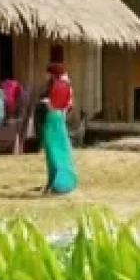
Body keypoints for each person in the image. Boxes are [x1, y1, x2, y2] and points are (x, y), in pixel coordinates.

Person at [40, 46, 77, 194]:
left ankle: (56, 183)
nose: (45, 75)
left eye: (47, 73)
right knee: (61, 150)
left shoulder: (54, 85)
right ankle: (61, 182)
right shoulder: (68, 85)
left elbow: (50, 105)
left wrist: (46, 104)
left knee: (53, 152)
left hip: (51, 120)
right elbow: (69, 105)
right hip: (60, 120)